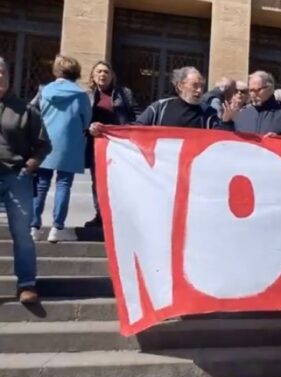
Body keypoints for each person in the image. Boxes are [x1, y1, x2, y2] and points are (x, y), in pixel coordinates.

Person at [0, 56, 51, 303]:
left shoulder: (25, 110)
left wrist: (30, 165)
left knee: (22, 232)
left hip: (16, 177)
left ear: (9, 77)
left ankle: (26, 284)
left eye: (3, 72)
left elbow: (44, 144)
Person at [31, 55, 91, 243]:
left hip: (45, 141)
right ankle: (56, 228)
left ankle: (34, 226)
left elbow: (34, 112)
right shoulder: (80, 94)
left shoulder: (45, 90)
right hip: (70, 143)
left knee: (41, 185)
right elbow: (86, 120)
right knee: (64, 185)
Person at [90, 66, 235, 135]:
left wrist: (227, 122)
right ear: (180, 85)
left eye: (201, 86)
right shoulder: (159, 108)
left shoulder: (208, 114)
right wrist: (105, 130)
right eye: (195, 86)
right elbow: (135, 129)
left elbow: (220, 142)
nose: (199, 91)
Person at [84, 60, 140, 228]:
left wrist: (130, 132)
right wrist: (89, 128)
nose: (103, 75)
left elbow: (137, 115)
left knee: (118, 181)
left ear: (112, 76)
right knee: (98, 181)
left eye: (106, 72)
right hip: (96, 144)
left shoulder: (124, 93)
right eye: (99, 72)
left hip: (118, 145)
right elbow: (80, 119)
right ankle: (100, 215)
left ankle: (118, 215)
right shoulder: (86, 95)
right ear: (93, 76)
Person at [231, 71, 281, 136]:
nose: (253, 94)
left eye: (257, 90)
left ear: (269, 89)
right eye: (250, 90)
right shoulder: (243, 114)